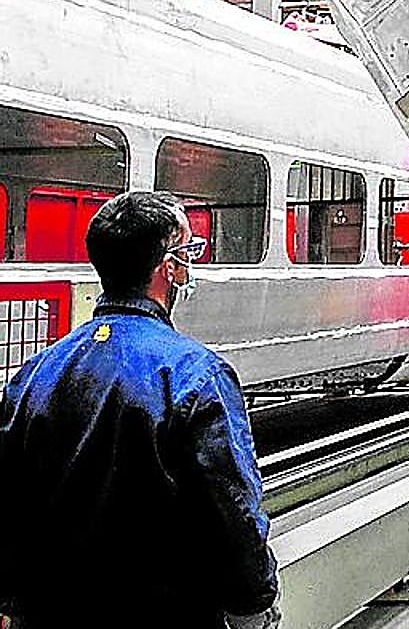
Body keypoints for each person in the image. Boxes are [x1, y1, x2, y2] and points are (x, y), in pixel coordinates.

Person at [0, 191, 280, 629]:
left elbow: (8, 499)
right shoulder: (195, 376)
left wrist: (13, 600)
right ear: (170, 268)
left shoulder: (35, 373)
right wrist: (254, 602)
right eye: (188, 251)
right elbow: (232, 510)